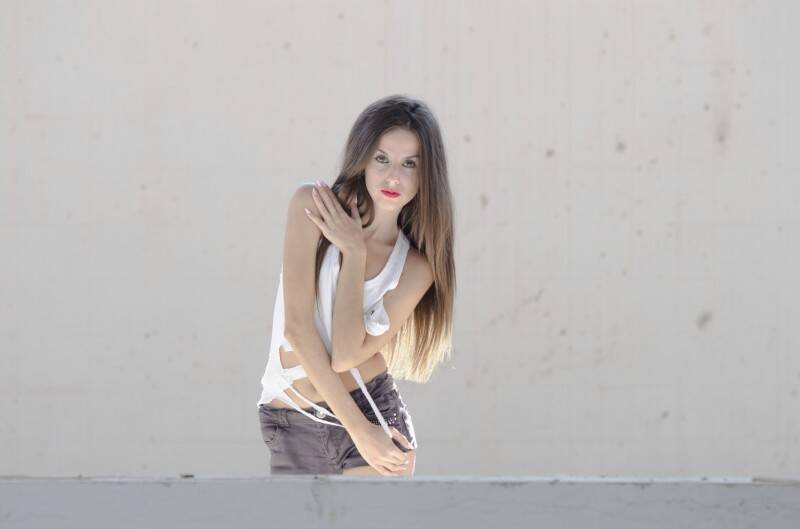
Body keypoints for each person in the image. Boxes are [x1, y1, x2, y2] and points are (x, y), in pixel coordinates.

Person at [256, 94, 455, 476]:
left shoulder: (414, 269)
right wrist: (358, 431)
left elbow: (346, 355)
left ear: (426, 176)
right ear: (363, 158)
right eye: (382, 159)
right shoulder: (311, 207)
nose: (393, 176)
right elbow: (297, 329)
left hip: (372, 415)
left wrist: (354, 252)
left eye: (409, 164)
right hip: (292, 420)